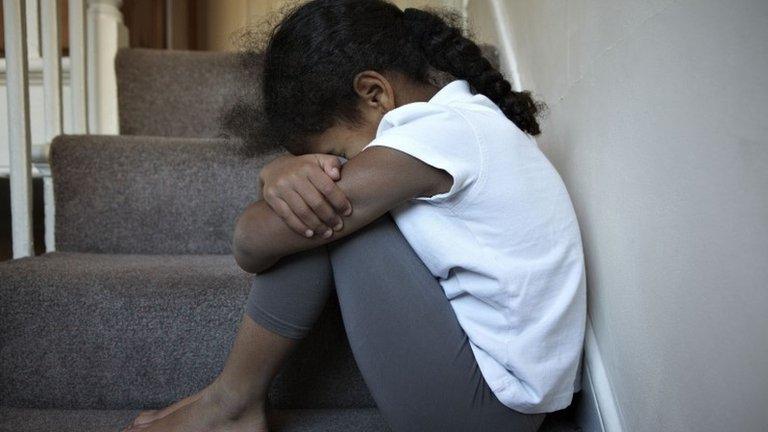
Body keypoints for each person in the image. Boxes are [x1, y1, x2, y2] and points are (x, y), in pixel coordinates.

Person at [124, 1, 585, 431]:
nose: (332, 166)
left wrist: (275, 178)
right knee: (324, 205)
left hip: (485, 409)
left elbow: (252, 243)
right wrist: (281, 177)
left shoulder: (440, 134)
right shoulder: (464, 124)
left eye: (335, 153)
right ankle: (230, 401)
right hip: (496, 395)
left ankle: (232, 402)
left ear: (373, 94)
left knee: (325, 215)